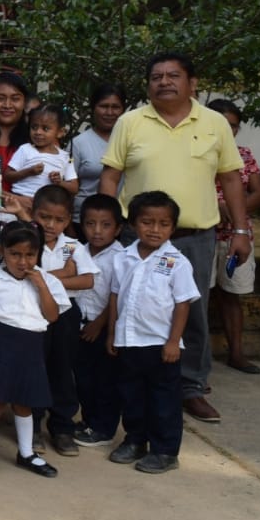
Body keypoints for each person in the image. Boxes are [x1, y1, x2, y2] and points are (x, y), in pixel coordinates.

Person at [99, 52, 249, 424]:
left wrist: (241, 231)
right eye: (156, 76)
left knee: (192, 312)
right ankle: (131, 379)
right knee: (132, 307)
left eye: (173, 75)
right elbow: (110, 177)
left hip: (194, 238)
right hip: (137, 239)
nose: (164, 82)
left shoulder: (214, 123)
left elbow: (231, 179)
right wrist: (112, 227)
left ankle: (192, 387)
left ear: (192, 82)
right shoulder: (130, 123)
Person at [106, 191, 202, 474]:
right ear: (134, 224)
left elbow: (183, 304)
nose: (155, 230)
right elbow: (114, 297)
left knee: (163, 399)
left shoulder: (177, 262)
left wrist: (174, 341)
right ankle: (136, 440)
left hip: (161, 344)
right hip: (129, 340)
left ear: (173, 227)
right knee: (131, 396)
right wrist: (112, 334)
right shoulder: (123, 258)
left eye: (163, 224)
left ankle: (165, 451)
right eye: (147, 222)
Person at [0, 221, 65, 482]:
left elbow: (53, 315)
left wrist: (42, 286)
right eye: (15, 254)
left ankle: (26, 453)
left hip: (31, 347)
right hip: (2, 345)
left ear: (38, 255)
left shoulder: (46, 280)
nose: (23, 261)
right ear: (2, 251)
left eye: (29, 255)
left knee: (24, 403)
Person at [31, 184, 98, 456]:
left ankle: (61, 427)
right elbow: (24, 274)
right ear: (33, 214)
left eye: (59, 220)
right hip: (32, 312)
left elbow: (87, 280)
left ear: (69, 221)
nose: (50, 224)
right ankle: (32, 425)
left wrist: (47, 277)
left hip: (66, 313)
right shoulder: (27, 239)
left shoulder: (73, 246)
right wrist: (66, 273)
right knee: (35, 367)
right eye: (44, 217)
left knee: (62, 369)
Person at [207, 99, 260, 374]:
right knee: (197, 298)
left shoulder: (244, 155)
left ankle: (237, 353)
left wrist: (234, 210)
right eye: (221, 123)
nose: (226, 130)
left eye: (232, 125)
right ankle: (198, 360)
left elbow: (259, 193)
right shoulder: (198, 153)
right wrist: (213, 208)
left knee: (232, 294)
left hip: (236, 237)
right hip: (203, 235)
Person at [72, 193, 125, 448]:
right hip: (80, 325)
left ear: (118, 228)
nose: (97, 231)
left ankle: (103, 428)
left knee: (105, 381)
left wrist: (100, 324)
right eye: (90, 224)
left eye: (105, 225)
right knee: (84, 379)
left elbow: (117, 296)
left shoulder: (121, 258)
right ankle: (88, 420)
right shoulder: (78, 252)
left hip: (103, 328)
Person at [71, 84, 126, 224]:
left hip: (124, 222)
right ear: (93, 108)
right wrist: (69, 227)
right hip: (81, 222)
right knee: (68, 247)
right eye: (104, 106)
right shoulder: (78, 143)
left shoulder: (131, 142)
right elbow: (67, 187)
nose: (109, 112)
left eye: (115, 107)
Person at [4, 104, 78, 201]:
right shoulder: (25, 149)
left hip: (48, 206)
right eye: (34, 127)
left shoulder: (65, 157)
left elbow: (74, 188)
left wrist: (59, 182)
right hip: (21, 201)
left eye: (45, 129)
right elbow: (8, 176)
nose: (38, 132)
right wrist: (28, 171)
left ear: (60, 132)